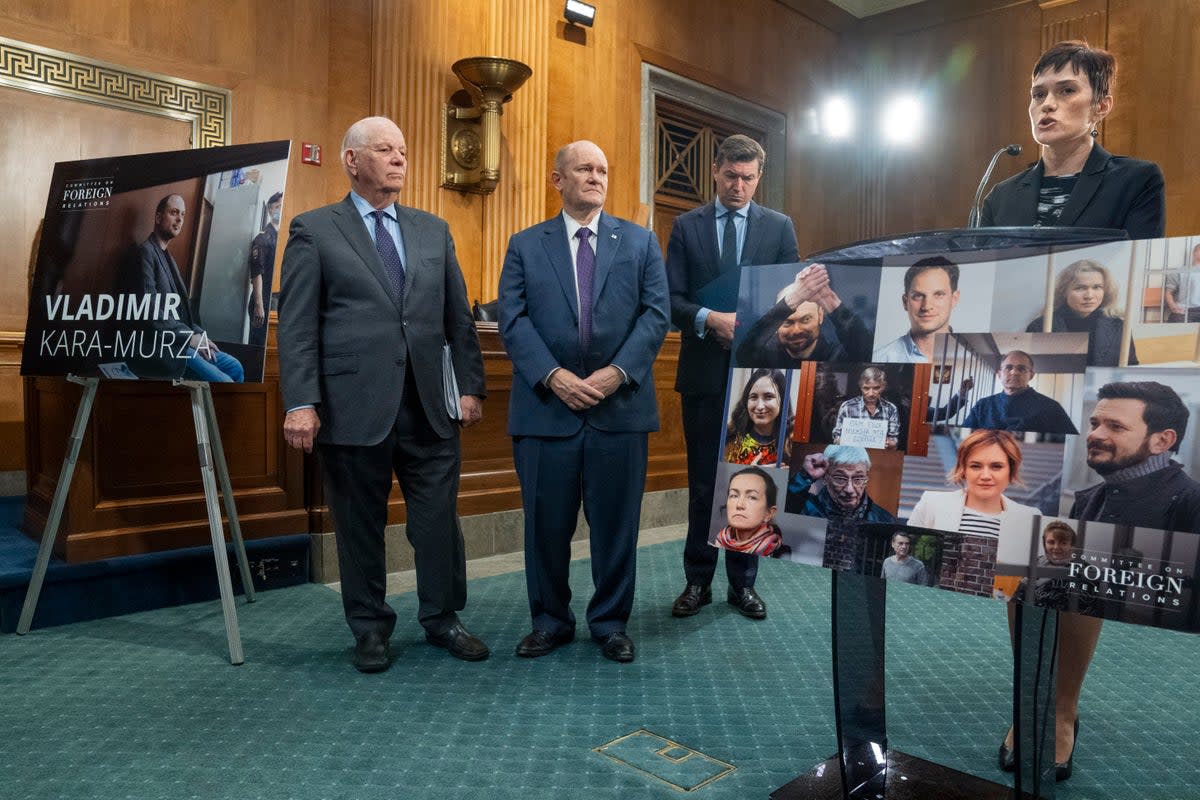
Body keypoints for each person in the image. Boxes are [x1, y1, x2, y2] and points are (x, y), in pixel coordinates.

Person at [277, 116, 488, 673]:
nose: (399, 159)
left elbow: (457, 319)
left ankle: (443, 617)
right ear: (351, 160)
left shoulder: (432, 230)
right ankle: (369, 628)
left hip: (428, 404)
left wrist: (469, 386)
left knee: (438, 521)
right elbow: (297, 326)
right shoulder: (314, 229)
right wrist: (300, 401)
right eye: (385, 150)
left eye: (403, 150)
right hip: (353, 406)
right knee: (359, 523)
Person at [498, 140, 669, 663]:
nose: (596, 177)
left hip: (620, 411)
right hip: (546, 411)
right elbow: (513, 318)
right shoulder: (526, 245)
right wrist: (553, 376)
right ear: (558, 180)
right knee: (545, 526)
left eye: (602, 168)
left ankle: (611, 622)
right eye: (584, 169)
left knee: (616, 526)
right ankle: (549, 621)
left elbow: (656, 314)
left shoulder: (640, 242)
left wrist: (618, 373)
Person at [1033, 380, 1200, 780]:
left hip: (1158, 678)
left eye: (1115, 427)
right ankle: (1052, 709)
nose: (1095, 435)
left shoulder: (1192, 503)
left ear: (1163, 440)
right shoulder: (1089, 498)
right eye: (1095, 423)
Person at [666, 134, 799, 621]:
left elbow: (793, 298)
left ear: (758, 178)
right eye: (730, 176)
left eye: (748, 178)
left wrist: (755, 326)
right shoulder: (686, 226)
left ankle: (742, 585)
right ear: (716, 172)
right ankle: (696, 582)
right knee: (704, 485)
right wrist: (708, 318)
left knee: (750, 484)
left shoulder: (780, 227)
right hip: (703, 373)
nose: (738, 186)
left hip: (758, 379)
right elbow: (670, 299)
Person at [981, 41, 1165, 239]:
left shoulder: (1136, 181)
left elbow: (1136, 265)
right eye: (1039, 94)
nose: (1047, 104)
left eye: (1067, 90)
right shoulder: (1000, 197)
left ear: (1101, 106)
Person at [121, 194, 244, 382]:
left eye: (183, 214)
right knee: (224, 381)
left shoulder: (167, 256)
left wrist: (200, 335)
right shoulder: (145, 253)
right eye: (174, 212)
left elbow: (181, 315)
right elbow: (150, 311)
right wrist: (190, 338)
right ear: (158, 217)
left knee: (235, 367)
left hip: (181, 341)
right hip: (163, 347)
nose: (179, 219)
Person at [908, 428, 1038, 598]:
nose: (985, 475)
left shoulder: (1030, 518)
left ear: (1011, 470)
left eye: (996, 466)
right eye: (975, 466)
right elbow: (909, 565)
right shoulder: (931, 503)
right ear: (963, 469)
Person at [734, 263, 873, 367]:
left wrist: (830, 300)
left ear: (820, 315)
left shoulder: (837, 355)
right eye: (788, 322)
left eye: (805, 319)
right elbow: (743, 354)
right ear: (777, 323)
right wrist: (793, 299)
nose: (796, 330)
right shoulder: (767, 355)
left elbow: (866, 352)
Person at [1025, 258, 1137, 367]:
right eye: (1080, 288)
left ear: (1105, 291)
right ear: (1064, 291)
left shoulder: (1119, 327)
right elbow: (1030, 372)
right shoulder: (1040, 327)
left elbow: (1131, 369)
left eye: (1097, 287)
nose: (1089, 296)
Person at [961, 351, 1078, 434]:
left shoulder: (1051, 407)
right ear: (999, 374)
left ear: (1031, 375)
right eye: (1008, 367)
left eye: (1021, 368)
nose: (1014, 372)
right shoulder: (983, 405)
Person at [872, 256, 960, 363]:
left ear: (954, 299)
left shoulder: (973, 358)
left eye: (938, 294)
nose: (926, 306)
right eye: (918, 296)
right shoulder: (879, 358)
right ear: (905, 302)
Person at [785, 445, 896, 522]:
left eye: (858, 478)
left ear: (866, 477)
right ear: (825, 477)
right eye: (840, 478)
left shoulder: (885, 520)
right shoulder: (804, 509)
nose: (849, 490)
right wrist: (805, 476)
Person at [711, 466, 789, 558]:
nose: (739, 505)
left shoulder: (782, 555)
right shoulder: (713, 545)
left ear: (769, 513)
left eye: (752, 497)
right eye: (734, 495)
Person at [723, 368, 791, 466]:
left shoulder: (790, 441)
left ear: (783, 400)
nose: (759, 406)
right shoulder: (730, 435)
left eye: (768, 397)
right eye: (753, 397)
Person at [832, 366, 899, 448]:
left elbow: (894, 440)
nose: (871, 393)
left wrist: (889, 443)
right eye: (866, 388)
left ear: (883, 386)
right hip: (853, 455)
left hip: (880, 455)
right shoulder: (847, 407)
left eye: (876, 388)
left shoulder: (891, 409)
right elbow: (836, 437)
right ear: (860, 387)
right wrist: (847, 441)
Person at [247, 191, 282, 347]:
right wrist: (259, 306)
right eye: (277, 207)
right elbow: (256, 273)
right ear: (270, 211)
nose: (280, 210)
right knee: (258, 348)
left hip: (273, 300)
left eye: (282, 206)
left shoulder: (278, 236)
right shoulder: (263, 238)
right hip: (262, 301)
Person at [1164, 243, 1200, 323]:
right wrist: (1173, 306)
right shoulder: (1180, 271)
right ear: (1194, 252)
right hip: (1185, 309)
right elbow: (1168, 292)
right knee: (1176, 322)